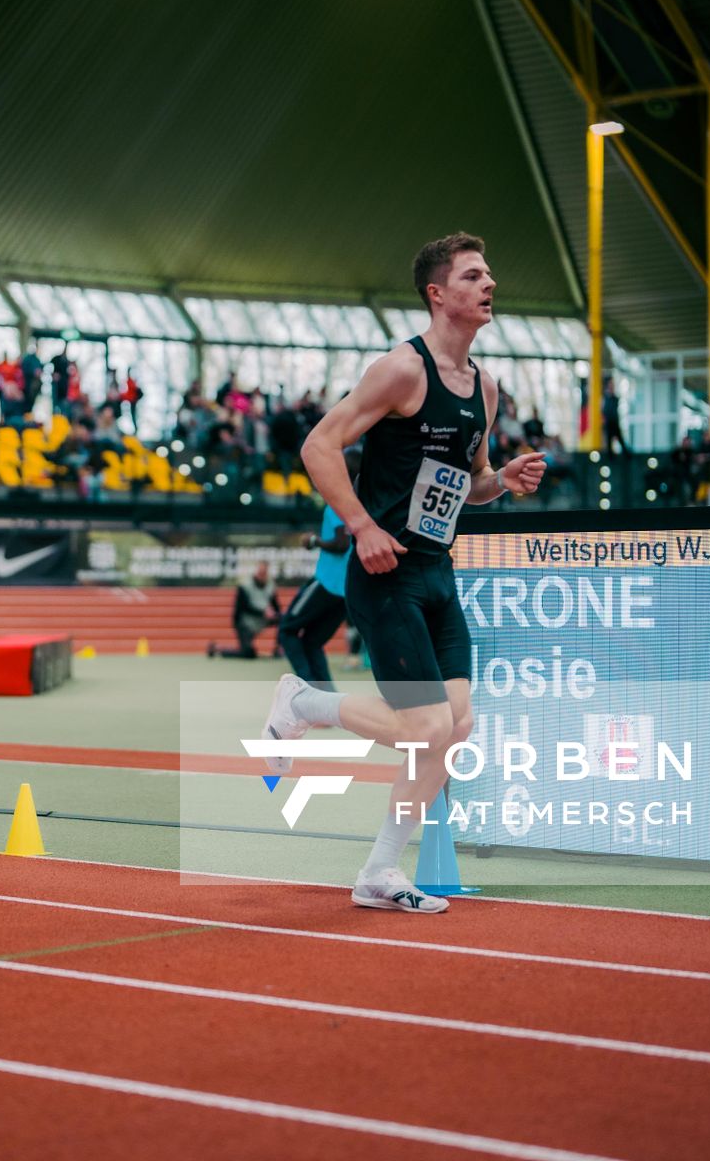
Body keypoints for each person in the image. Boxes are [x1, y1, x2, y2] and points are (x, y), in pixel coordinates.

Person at [263, 232, 545, 913]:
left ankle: (378, 875)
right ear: (438, 294)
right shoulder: (401, 370)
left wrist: (500, 480)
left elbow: (469, 482)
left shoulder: (486, 388)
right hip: (384, 573)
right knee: (427, 732)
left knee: (457, 726)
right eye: (474, 276)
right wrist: (362, 526)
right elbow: (319, 444)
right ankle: (302, 704)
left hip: (436, 574)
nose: (489, 285)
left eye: (489, 275)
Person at [277, 447, 361, 688]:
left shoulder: (339, 499)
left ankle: (310, 692)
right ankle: (326, 698)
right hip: (346, 588)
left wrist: (313, 541)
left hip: (327, 581)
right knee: (312, 641)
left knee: (287, 631)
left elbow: (341, 543)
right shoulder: (362, 500)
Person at [210, 562, 279, 659]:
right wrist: (263, 612)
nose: (262, 575)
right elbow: (243, 608)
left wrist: (273, 614)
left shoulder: (270, 585)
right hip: (244, 623)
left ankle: (278, 649)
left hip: (260, 621)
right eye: (260, 572)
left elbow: (276, 608)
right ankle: (218, 649)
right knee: (247, 652)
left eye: (264, 573)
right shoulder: (245, 586)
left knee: (282, 620)